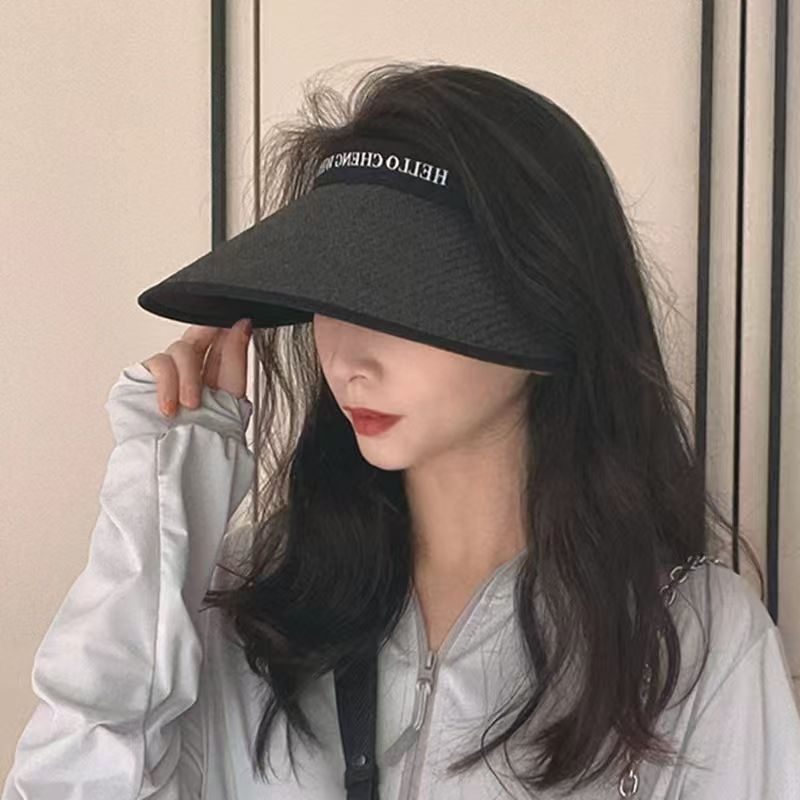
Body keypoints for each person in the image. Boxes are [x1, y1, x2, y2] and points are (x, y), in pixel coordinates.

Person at [4, 61, 800, 799]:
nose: (349, 359)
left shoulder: (690, 637)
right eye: (332, 299)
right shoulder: (252, 600)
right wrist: (164, 511)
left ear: (546, 302)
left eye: (401, 302)